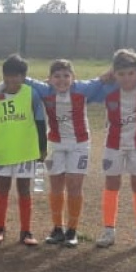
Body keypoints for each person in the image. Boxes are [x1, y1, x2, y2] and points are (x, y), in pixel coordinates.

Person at [22, 59, 108, 248]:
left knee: (75, 185)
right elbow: (22, 78)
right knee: (56, 186)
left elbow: (104, 78)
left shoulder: (82, 89)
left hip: (79, 144)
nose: (62, 80)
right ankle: (57, 229)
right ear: (49, 79)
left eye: (66, 76)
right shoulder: (45, 90)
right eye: (57, 76)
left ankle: (72, 230)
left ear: (73, 78)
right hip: (55, 144)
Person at [0, 54, 46, 246]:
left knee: (24, 189)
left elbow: (40, 121)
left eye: (16, 76)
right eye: (8, 75)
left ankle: (26, 231)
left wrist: (43, 147)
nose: (12, 79)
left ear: (23, 77)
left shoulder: (31, 94)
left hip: (25, 151)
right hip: (3, 150)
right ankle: (0, 228)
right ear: (3, 75)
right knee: (2, 188)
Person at [96, 49, 136, 252]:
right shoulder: (107, 90)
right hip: (113, 145)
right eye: (121, 74)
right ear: (114, 74)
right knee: (112, 184)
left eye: (131, 73)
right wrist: (101, 78)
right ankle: (108, 230)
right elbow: (85, 90)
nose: (126, 78)